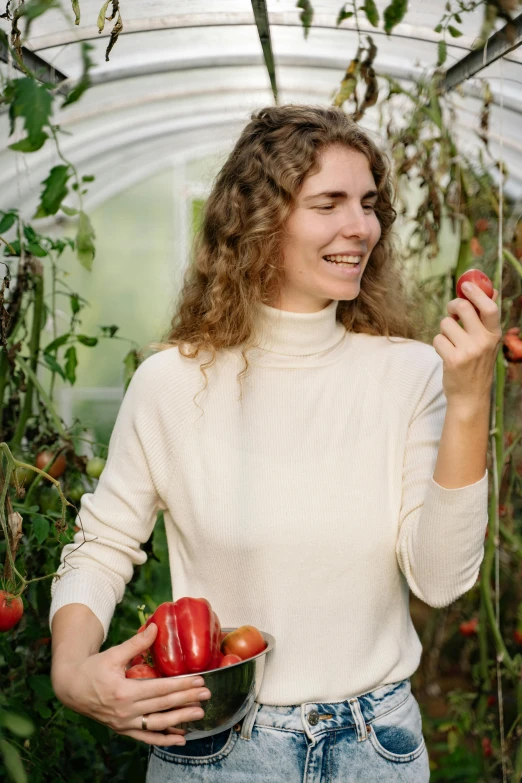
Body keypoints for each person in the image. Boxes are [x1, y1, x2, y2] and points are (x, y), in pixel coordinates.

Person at [50, 105, 501, 782]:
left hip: (373, 749)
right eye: (330, 203)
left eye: (370, 203)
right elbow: (105, 543)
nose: (363, 227)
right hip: (216, 744)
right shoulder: (173, 382)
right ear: (259, 223)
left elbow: (440, 579)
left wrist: (468, 402)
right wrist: (71, 669)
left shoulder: (409, 374)